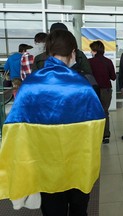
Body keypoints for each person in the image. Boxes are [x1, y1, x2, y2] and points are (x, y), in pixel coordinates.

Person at [0, 29, 105, 216]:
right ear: (73, 52)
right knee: (79, 211)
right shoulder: (83, 86)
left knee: (52, 210)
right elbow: (96, 129)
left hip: (46, 168)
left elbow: (15, 130)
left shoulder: (30, 86)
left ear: (48, 51)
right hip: (78, 166)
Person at [31, 22, 100, 97]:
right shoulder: (78, 54)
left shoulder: (40, 58)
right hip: (74, 95)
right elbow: (88, 75)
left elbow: (34, 82)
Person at [89, 40, 116, 144]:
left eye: (92, 50)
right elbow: (113, 77)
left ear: (95, 51)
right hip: (106, 90)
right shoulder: (108, 62)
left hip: (93, 91)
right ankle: (105, 136)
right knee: (105, 112)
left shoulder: (89, 62)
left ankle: (95, 135)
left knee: (94, 113)